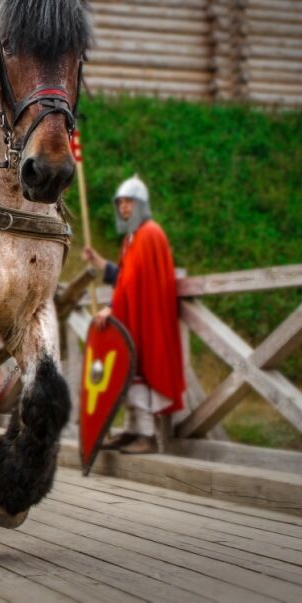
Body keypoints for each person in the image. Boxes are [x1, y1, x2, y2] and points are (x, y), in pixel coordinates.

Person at [83, 175, 186, 454]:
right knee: (128, 372)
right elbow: (124, 277)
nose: (124, 207)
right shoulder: (132, 238)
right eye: (120, 203)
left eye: (129, 202)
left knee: (139, 371)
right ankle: (131, 431)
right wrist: (99, 262)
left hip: (146, 317)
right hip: (132, 315)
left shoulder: (149, 235)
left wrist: (113, 308)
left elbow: (134, 284)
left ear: (141, 204)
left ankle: (147, 436)